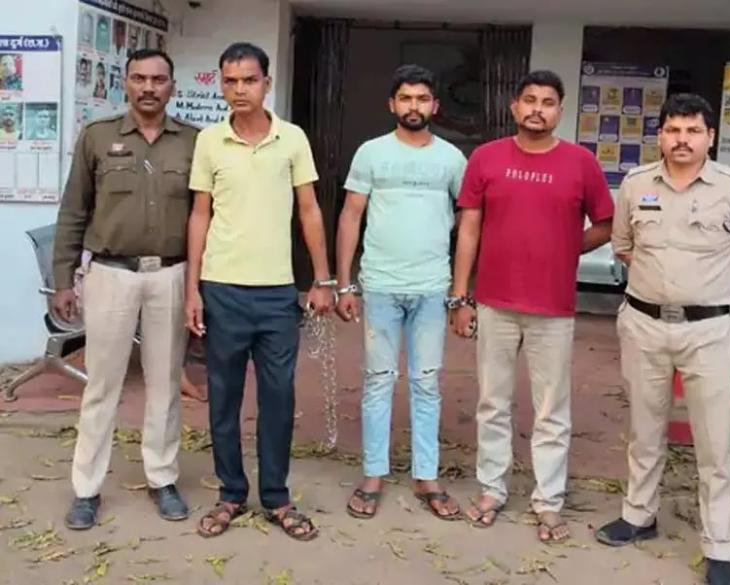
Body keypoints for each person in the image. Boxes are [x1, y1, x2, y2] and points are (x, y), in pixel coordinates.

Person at [594, 94, 730, 585]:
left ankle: (719, 545)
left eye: (693, 131)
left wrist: (710, 278)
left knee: (715, 442)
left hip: (709, 331)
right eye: (673, 130)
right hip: (644, 324)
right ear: (660, 135)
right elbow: (623, 246)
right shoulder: (635, 184)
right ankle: (639, 515)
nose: (682, 139)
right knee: (644, 429)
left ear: (710, 137)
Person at [451, 70, 614, 541]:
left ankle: (548, 501)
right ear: (514, 107)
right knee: (492, 403)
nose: (537, 109)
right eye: (529, 100)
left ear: (560, 111)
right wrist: (460, 296)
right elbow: (469, 229)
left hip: (553, 308)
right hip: (494, 302)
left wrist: (565, 248)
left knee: (551, 411)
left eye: (547, 102)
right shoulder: (486, 157)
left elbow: (606, 224)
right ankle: (492, 490)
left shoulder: (581, 163)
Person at [186, 42, 333, 542]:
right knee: (223, 397)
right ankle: (231, 493)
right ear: (221, 84)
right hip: (222, 289)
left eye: (249, 80)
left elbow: (309, 209)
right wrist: (193, 288)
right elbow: (200, 214)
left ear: (267, 83)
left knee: (278, 398)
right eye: (230, 81)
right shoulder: (210, 141)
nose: (239, 90)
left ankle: (276, 497)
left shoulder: (292, 139)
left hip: (277, 294)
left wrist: (322, 279)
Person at [53, 48, 199, 531]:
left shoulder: (193, 142)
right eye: (139, 78)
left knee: (165, 382)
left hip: (171, 275)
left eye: (158, 79)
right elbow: (73, 211)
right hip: (110, 274)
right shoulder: (97, 137)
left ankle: (162, 477)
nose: (148, 88)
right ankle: (86, 488)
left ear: (172, 86)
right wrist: (62, 280)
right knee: (102, 384)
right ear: (126, 83)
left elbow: (206, 216)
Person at [336, 64, 466, 521]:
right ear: (392, 104)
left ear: (435, 106)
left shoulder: (452, 159)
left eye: (422, 98)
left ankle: (426, 476)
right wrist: (345, 283)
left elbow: (468, 220)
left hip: (431, 287)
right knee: (378, 380)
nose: (414, 106)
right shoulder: (371, 153)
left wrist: (459, 289)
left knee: (427, 382)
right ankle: (373, 474)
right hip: (381, 286)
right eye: (406, 98)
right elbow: (351, 216)